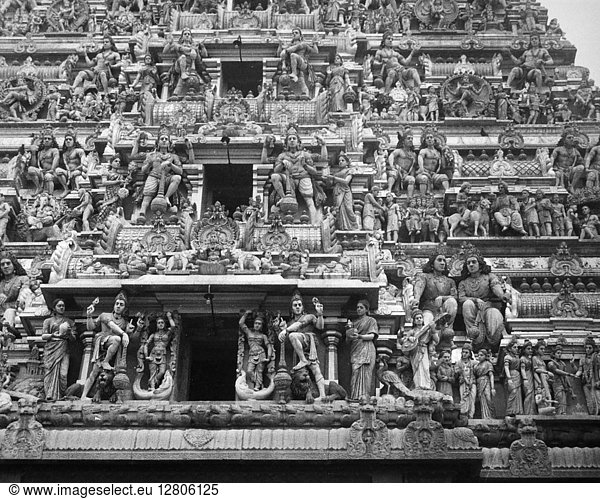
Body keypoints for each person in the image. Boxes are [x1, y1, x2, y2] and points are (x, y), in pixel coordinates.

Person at [81, 292, 139, 400]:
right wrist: (89, 316)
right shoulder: (105, 315)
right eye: (117, 303)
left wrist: (135, 329)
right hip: (103, 341)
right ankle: (83, 396)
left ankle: (113, 395)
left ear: (124, 308)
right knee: (116, 339)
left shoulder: (124, 322)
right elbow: (91, 327)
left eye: (121, 304)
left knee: (96, 371)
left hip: (115, 352)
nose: (118, 306)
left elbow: (132, 340)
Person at [458, 249, 510, 351]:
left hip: (488, 306)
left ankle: (493, 342)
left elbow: (495, 286)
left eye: (474, 262)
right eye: (468, 263)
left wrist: (502, 295)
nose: (471, 265)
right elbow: (461, 298)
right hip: (473, 309)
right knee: (467, 304)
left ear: (480, 264)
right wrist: (475, 300)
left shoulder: (489, 277)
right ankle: (473, 336)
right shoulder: (463, 283)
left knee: (494, 313)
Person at [270, 129, 326, 225]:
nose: (292, 140)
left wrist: (305, 165)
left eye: (294, 138)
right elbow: (276, 170)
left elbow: (315, 171)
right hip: (288, 178)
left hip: (303, 177)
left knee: (309, 200)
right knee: (275, 176)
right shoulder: (282, 156)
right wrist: (282, 164)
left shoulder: (305, 154)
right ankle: (283, 198)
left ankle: (314, 224)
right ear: (286, 143)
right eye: (290, 139)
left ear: (298, 142)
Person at [277, 293, 327, 400]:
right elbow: (285, 341)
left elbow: (320, 326)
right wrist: (280, 330)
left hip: (309, 342)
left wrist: (320, 314)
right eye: (295, 305)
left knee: (293, 335)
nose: (298, 307)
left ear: (303, 307)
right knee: (314, 370)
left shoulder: (308, 316)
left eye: (300, 305)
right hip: (298, 350)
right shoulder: (290, 322)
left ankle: (303, 360)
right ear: (291, 308)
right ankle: (321, 395)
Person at [412, 252, 458, 350]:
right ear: (432, 264)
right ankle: (425, 343)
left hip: (444, 310)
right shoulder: (424, 276)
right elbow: (419, 287)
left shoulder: (450, 281)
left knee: (451, 301)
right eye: (439, 260)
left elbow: (455, 297)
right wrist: (416, 299)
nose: (442, 263)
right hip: (428, 309)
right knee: (427, 321)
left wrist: (443, 298)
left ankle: (447, 329)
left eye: (444, 261)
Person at [397, 310, 448, 391]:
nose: (419, 319)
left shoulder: (428, 330)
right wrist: (409, 338)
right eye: (417, 318)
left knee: (425, 367)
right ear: (414, 321)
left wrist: (433, 330)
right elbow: (403, 341)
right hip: (415, 351)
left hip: (424, 350)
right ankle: (418, 385)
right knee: (417, 368)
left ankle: (426, 385)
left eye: (421, 317)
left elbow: (437, 340)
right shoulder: (412, 331)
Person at [138, 132, 183, 223]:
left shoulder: (173, 156)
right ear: (157, 143)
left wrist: (170, 164)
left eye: (166, 139)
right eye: (162, 139)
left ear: (169, 143)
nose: (164, 141)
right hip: (153, 176)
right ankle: (142, 212)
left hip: (166, 178)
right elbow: (143, 170)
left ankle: (166, 197)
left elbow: (180, 171)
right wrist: (150, 163)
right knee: (148, 194)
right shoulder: (151, 155)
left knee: (177, 178)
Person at [42, 298, 75, 401]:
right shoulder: (48, 321)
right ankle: (50, 395)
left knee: (63, 374)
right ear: (54, 308)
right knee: (50, 372)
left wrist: (69, 333)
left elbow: (74, 339)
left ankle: (61, 395)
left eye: (63, 306)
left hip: (64, 348)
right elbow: (43, 336)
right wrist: (52, 335)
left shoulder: (69, 321)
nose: (61, 308)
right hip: (51, 349)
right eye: (59, 306)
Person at [345, 299, 378, 401]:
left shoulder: (371, 321)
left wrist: (360, 336)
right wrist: (349, 334)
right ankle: (355, 396)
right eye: (357, 307)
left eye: (361, 307)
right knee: (355, 371)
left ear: (366, 309)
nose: (358, 309)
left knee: (366, 373)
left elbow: (372, 335)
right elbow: (347, 341)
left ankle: (364, 396)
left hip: (367, 348)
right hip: (356, 349)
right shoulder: (354, 323)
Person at [238, 310, 272, 391]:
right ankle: (256, 381)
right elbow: (241, 323)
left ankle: (257, 386)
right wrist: (245, 314)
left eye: (259, 324)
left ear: (262, 326)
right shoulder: (249, 332)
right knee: (249, 371)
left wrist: (269, 357)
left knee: (260, 371)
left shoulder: (263, 336)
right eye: (256, 323)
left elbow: (269, 346)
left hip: (261, 353)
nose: (257, 325)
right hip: (252, 355)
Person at [324, 153, 359, 230]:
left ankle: (353, 226)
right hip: (337, 191)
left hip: (345, 191)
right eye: (339, 161)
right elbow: (330, 185)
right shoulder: (336, 173)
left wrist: (334, 178)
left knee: (348, 208)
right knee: (339, 209)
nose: (340, 162)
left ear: (347, 162)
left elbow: (346, 181)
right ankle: (343, 227)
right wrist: (326, 179)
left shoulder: (350, 170)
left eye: (343, 160)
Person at [279, 27, 318, 94]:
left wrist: (314, 43)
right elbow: (280, 54)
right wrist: (280, 45)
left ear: (300, 35)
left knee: (293, 55)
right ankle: (307, 96)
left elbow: (315, 51)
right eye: (293, 33)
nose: (294, 34)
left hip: (302, 63)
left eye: (296, 33)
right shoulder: (290, 45)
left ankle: (294, 73)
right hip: (295, 66)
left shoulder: (303, 44)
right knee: (302, 83)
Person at [144, 312, 177, 390]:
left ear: (165, 324)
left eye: (162, 322)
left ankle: (155, 382)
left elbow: (173, 326)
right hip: (153, 353)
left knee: (162, 371)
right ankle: (152, 387)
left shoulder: (167, 333)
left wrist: (169, 317)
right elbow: (146, 344)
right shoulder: (153, 335)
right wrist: (146, 356)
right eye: (159, 323)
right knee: (152, 372)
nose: (160, 324)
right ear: (156, 325)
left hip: (162, 353)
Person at [0, 250, 29, 328]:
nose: (5, 266)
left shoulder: (22, 279)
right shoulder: (1, 282)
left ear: (14, 265)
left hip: (14, 312)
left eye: (8, 263)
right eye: (2, 264)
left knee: (9, 312)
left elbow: (24, 294)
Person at [387, 127, 417, 197]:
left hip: (405, 175)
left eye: (411, 139)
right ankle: (389, 190)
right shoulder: (399, 151)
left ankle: (410, 197)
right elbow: (391, 156)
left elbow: (413, 168)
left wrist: (412, 176)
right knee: (393, 173)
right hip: (397, 171)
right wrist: (392, 167)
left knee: (412, 179)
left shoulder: (413, 155)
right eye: (408, 138)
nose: (410, 140)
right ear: (403, 141)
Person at [547, 344, 576, 415]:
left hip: (563, 384)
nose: (559, 355)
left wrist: (570, 388)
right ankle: (558, 413)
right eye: (558, 353)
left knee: (563, 399)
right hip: (556, 383)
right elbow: (556, 371)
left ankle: (563, 412)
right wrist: (568, 374)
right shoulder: (550, 363)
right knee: (558, 397)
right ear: (553, 354)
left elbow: (565, 377)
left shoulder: (562, 364)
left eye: (560, 353)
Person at [575, 336, 600, 415]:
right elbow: (580, 370)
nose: (588, 350)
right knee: (589, 399)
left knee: (597, 397)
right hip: (586, 381)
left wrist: (598, 380)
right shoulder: (582, 359)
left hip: (594, 380)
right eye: (586, 348)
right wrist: (575, 373)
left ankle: (597, 413)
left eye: (590, 348)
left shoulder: (597, 357)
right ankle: (592, 414)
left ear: (593, 348)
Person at [455, 343, 477, 419]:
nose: (464, 354)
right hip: (463, 383)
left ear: (470, 353)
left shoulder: (474, 363)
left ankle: (471, 415)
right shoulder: (458, 362)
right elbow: (456, 372)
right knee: (464, 398)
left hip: (472, 382)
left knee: (472, 398)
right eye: (463, 352)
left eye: (466, 352)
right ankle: (464, 414)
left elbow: (478, 370)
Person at [503, 338, 523, 415]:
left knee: (518, 392)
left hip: (517, 375)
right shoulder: (507, 357)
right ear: (509, 348)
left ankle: (517, 410)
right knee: (513, 392)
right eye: (514, 347)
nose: (516, 349)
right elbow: (506, 368)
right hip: (511, 375)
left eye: (517, 347)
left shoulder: (517, 357)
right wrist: (509, 378)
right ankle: (509, 410)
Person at [474, 348, 495, 419]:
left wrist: (492, 388)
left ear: (485, 356)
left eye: (481, 355)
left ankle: (491, 415)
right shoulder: (476, 366)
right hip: (479, 382)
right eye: (478, 355)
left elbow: (491, 375)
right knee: (481, 399)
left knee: (488, 397)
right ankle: (485, 416)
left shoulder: (488, 364)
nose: (479, 357)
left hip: (486, 381)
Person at [520, 340, 536, 415]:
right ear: (524, 350)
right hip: (526, 376)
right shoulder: (523, 358)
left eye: (531, 349)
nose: (530, 350)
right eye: (528, 349)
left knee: (532, 394)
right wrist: (525, 379)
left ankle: (531, 411)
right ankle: (527, 412)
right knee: (528, 394)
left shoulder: (530, 358)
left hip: (530, 376)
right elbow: (522, 369)